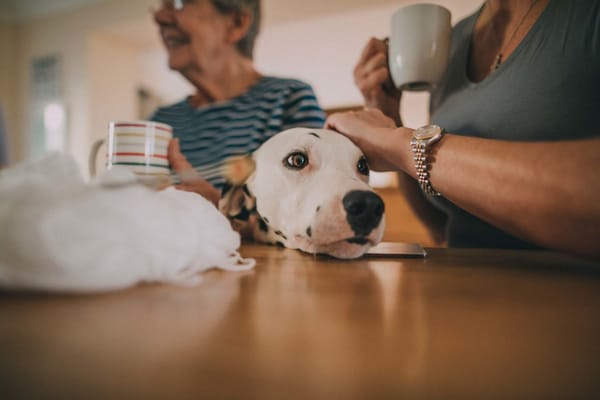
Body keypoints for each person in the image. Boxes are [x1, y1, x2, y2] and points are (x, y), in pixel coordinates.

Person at [326, 0, 600, 259]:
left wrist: (399, 143)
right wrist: (390, 115)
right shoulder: (455, 39)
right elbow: (440, 224)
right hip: (461, 286)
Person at [151, 0, 326, 205]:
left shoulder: (289, 99)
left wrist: (222, 211)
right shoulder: (160, 121)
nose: (160, 17)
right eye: (161, 6)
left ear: (236, 23)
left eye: (179, 3)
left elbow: (310, 208)